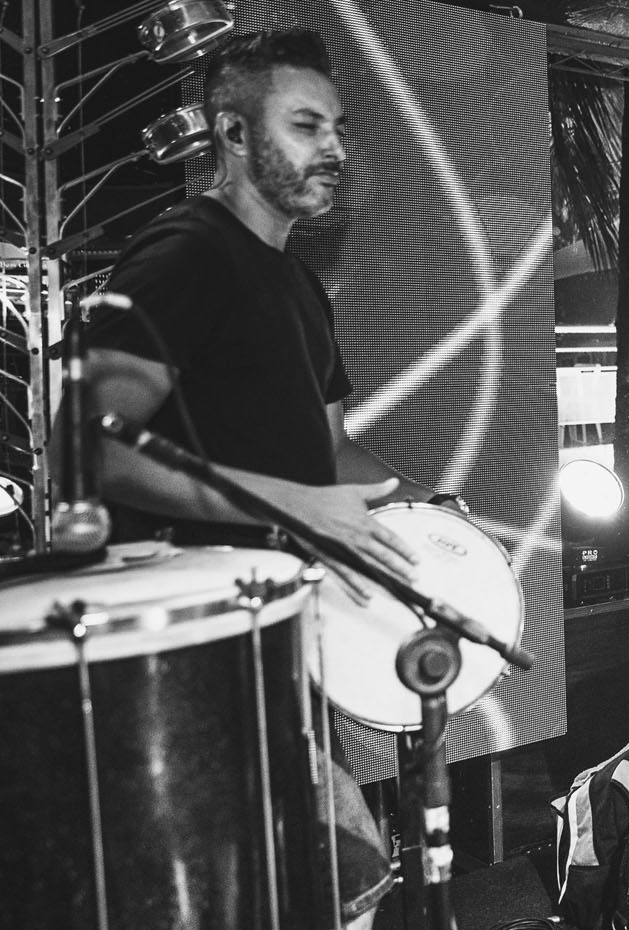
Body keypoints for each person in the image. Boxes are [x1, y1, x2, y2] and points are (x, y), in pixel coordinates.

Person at [77, 29, 453, 927]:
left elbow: (327, 454)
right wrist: (288, 503)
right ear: (234, 133)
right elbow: (91, 444)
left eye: (339, 128)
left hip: (277, 642)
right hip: (184, 663)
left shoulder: (299, 287)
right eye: (306, 125)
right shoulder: (186, 254)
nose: (335, 148)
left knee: (339, 887)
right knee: (325, 883)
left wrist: (431, 508)